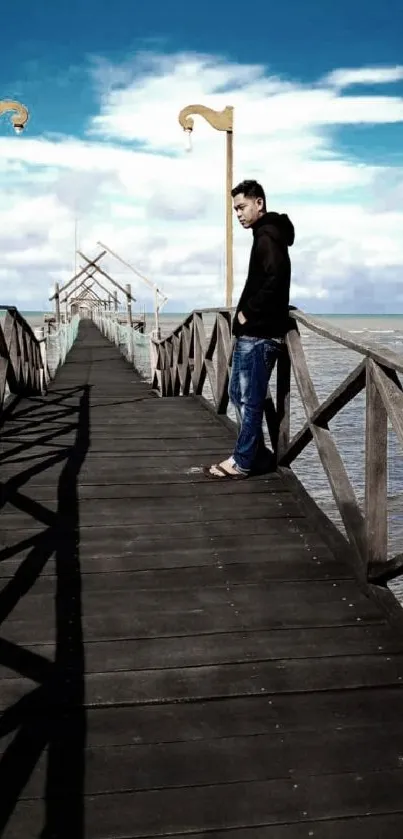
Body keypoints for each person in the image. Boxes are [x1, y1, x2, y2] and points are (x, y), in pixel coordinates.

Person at [204, 179, 294, 480]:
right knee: (236, 392)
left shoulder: (268, 236)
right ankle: (256, 453)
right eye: (235, 209)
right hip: (255, 333)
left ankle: (243, 462)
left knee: (250, 400)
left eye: (242, 207)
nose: (239, 214)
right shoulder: (266, 234)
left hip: (260, 334)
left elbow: (275, 278)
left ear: (259, 203)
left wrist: (246, 313)